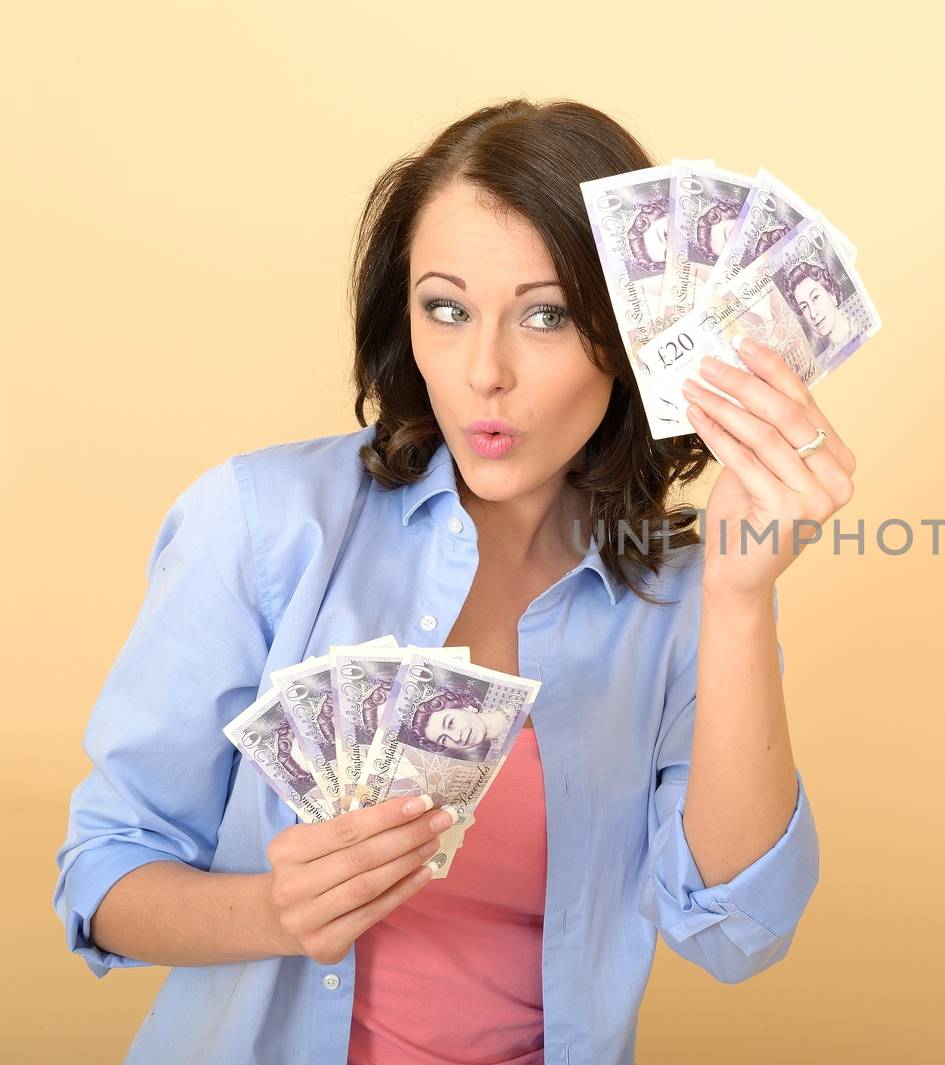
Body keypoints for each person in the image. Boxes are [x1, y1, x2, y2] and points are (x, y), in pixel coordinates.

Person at [52, 97, 856, 1065]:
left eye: (546, 316)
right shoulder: (264, 525)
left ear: (634, 333)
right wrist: (274, 912)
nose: (485, 371)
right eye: (447, 309)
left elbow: (737, 932)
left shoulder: (681, 595)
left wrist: (737, 598)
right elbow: (106, 874)